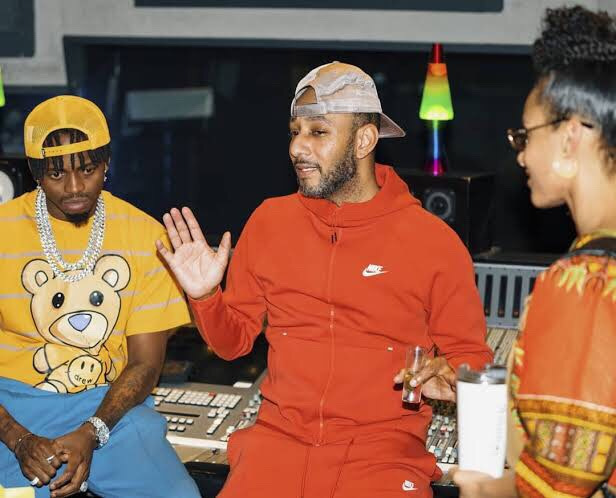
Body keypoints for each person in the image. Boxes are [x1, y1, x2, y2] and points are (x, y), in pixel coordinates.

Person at [158, 61, 493, 497]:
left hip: (382, 455)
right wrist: (205, 296)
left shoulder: (433, 242)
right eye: (295, 131)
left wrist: (455, 377)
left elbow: (473, 360)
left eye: (318, 132)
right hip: (275, 445)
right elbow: (232, 343)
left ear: (364, 140)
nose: (298, 147)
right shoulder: (269, 222)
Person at [452, 6, 616, 497]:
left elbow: (559, 485)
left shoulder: (584, 284)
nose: (521, 154)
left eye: (526, 134)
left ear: (570, 138)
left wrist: (484, 490)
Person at [0, 95, 200, 498]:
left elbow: (145, 364)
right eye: (56, 174)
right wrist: (17, 438)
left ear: (107, 164)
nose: (75, 187)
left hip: (109, 412)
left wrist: (92, 432)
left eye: (88, 170)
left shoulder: (147, 237)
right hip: (13, 407)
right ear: (35, 172)